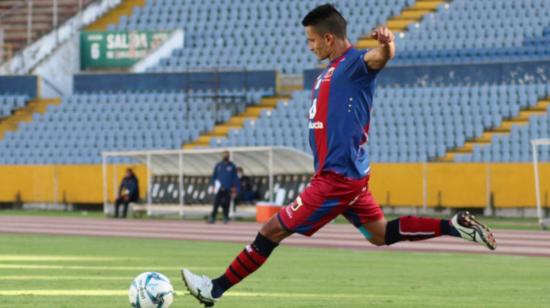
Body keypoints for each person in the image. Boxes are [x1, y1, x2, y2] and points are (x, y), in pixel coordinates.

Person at [182, 4, 497, 306]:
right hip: (348, 177)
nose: (310, 47)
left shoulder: (355, 64)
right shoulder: (328, 73)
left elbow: (380, 57)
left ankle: (215, 288)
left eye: (311, 40)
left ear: (328, 38)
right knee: (380, 234)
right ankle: (453, 226)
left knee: (271, 230)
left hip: (336, 179)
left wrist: (387, 45)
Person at [208, 150, 239, 224]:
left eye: (227, 155)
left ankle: (226, 217)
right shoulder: (218, 165)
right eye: (224, 155)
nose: (225, 156)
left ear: (229, 156)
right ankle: (213, 217)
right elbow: (214, 176)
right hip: (219, 188)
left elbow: (235, 178)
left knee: (226, 203)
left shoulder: (232, 166)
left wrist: (235, 188)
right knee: (216, 203)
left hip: (228, 188)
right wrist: (213, 185)